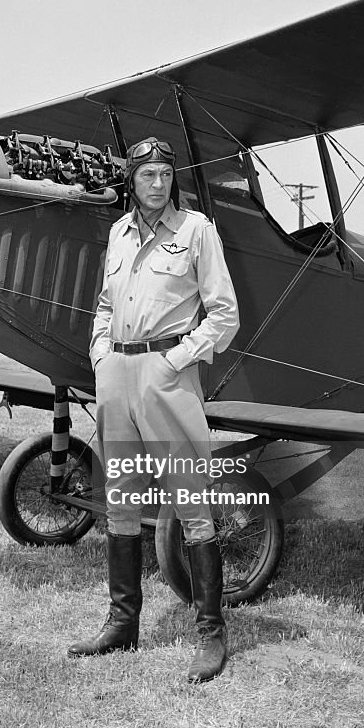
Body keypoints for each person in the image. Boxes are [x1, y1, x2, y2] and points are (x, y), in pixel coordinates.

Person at [67, 138, 240, 682]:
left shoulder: (196, 232)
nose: (157, 183)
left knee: (191, 503)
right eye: (147, 174)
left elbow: (224, 315)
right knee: (119, 501)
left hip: (166, 377)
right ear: (132, 181)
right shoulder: (118, 235)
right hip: (117, 375)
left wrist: (177, 361)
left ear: (174, 180)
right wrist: (100, 357)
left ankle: (210, 634)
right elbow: (103, 306)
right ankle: (123, 624)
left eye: (165, 173)